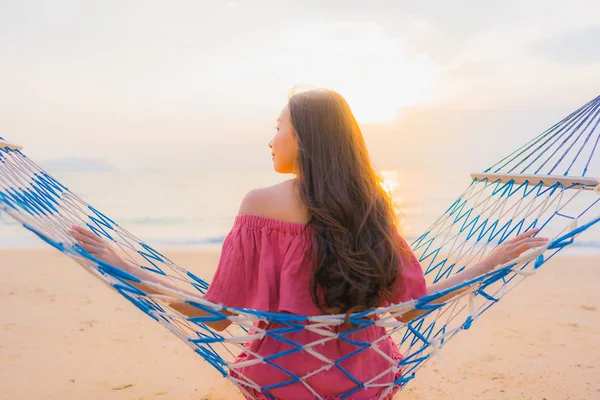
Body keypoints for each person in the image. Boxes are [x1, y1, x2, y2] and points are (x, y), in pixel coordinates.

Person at [71, 89, 549, 399]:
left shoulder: (259, 205)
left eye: (277, 126)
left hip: (282, 379)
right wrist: (490, 262)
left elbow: (215, 316)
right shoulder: (372, 210)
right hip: (367, 380)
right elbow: (409, 311)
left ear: (304, 138)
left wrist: (122, 265)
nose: (271, 139)